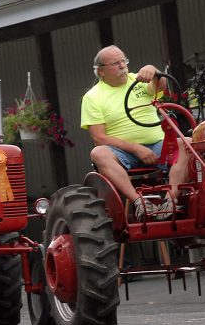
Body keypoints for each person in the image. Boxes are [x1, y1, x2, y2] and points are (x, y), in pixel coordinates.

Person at [80, 45, 189, 220]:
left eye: (124, 60)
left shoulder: (137, 81)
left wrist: (153, 71)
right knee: (98, 153)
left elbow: (160, 86)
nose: (123, 65)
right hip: (123, 154)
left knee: (187, 142)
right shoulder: (93, 97)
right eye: (116, 63)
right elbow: (99, 137)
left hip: (158, 147)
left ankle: (170, 202)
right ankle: (140, 203)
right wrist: (136, 148)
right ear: (101, 71)